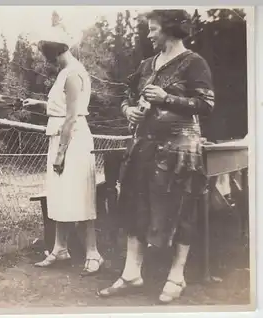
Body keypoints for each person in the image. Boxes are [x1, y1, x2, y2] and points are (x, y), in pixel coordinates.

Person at [97, 9, 215, 303]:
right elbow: (126, 95)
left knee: (180, 207)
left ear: (171, 30)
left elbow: (207, 103)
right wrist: (129, 111)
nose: (148, 35)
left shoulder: (193, 63)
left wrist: (168, 99)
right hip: (144, 146)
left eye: (153, 29)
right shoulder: (147, 65)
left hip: (179, 148)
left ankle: (177, 277)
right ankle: (131, 273)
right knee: (135, 203)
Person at [22, 19, 104, 276]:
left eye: (43, 51)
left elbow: (71, 116)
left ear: (52, 49)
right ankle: (60, 248)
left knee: (81, 192)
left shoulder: (74, 73)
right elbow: (60, 109)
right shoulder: (64, 73)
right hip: (61, 135)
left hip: (73, 139)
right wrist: (38, 106)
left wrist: (61, 153)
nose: (44, 57)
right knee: (59, 192)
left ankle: (93, 253)